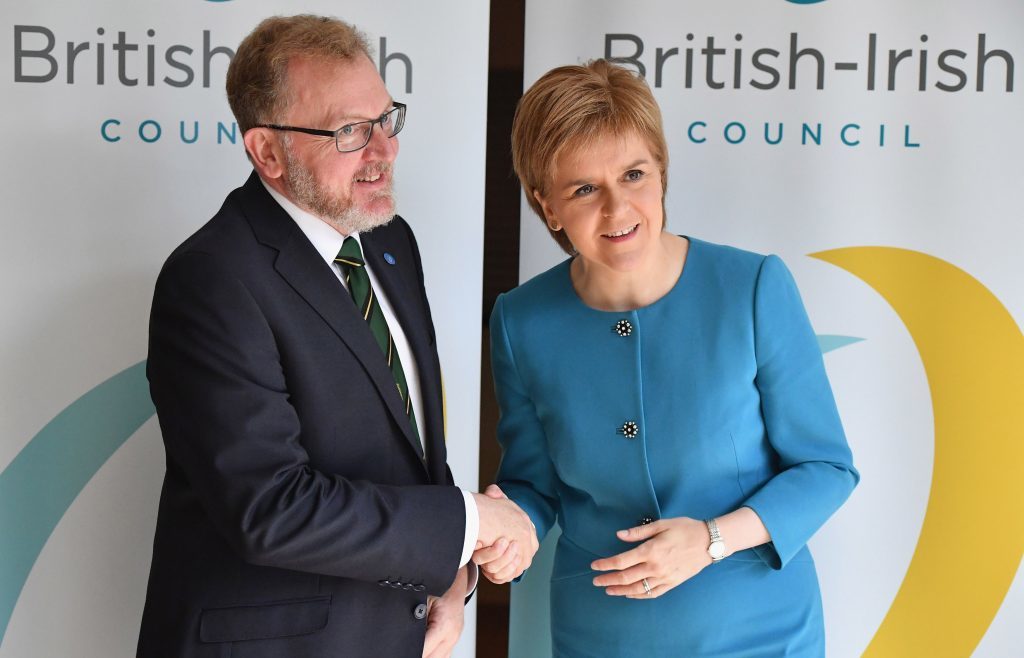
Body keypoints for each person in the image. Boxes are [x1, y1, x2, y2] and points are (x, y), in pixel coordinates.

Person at [137, 15, 535, 658]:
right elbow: (270, 508)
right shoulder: (211, 280)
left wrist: (451, 578)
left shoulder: (388, 242)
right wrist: (467, 522)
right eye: (350, 131)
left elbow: (407, 446)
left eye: (386, 119)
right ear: (267, 151)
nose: (385, 150)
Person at [478, 59, 859, 656]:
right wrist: (512, 531)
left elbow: (826, 469)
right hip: (599, 634)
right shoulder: (520, 320)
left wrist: (710, 539)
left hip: (760, 632)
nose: (617, 208)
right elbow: (533, 482)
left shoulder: (753, 287)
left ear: (662, 172)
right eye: (584, 188)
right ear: (546, 205)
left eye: (634, 174)